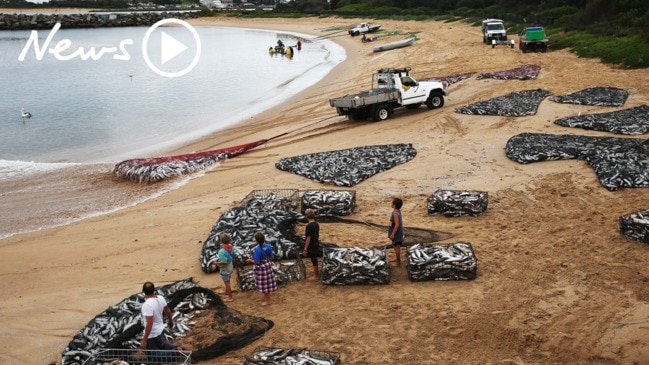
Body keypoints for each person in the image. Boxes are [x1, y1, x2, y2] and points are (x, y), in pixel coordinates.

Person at [140, 282, 185, 355]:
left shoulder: (147, 305)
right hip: (161, 329)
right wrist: (170, 321)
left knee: (154, 356)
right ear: (154, 289)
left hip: (152, 334)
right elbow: (168, 312)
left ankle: (176, 353)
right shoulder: (160, 298)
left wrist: (144, 340)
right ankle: (176, 347)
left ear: (143, 291)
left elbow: (150, 323)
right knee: (161, 345)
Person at [246, 231, 277, 306]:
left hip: (261, 269)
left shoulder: (257, 250)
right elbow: (271, 257)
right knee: (268, 283)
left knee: (264, 284)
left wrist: (250, 260)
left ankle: (268, 300)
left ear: (256, 240)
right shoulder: (268, 246)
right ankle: (267, 298)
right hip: (268, 266)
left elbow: (257, 262)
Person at [216, 233, 235, 302]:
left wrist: (216, 263)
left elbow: (223, 261)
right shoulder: (230, 247)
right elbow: (233, 254)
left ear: (221, 241)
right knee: (228, 280)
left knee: (227, 282)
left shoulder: (221, 251)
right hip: (230, 266)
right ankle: (227, 291)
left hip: (225, 269)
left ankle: (230, 297)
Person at [303, 209, 320, 281]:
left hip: (312, 244)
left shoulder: (308, 226)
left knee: (314, 259)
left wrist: (305, 248)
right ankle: (315, 273)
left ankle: (316, 276)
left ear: (306, 216)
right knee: (314, 257)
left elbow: (308, 238)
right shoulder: (316, 224)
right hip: (316, 242)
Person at [388, 197, 404, 266]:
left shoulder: (395, 213)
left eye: (392, 203)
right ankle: (397, 259)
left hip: (396, 233)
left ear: (394, 205)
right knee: (395, 246)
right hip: (397, 232)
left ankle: (398, 262)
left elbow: (397, 224)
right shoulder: (398, 211)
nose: (391, 204)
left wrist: (393, 234)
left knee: (396, 246)